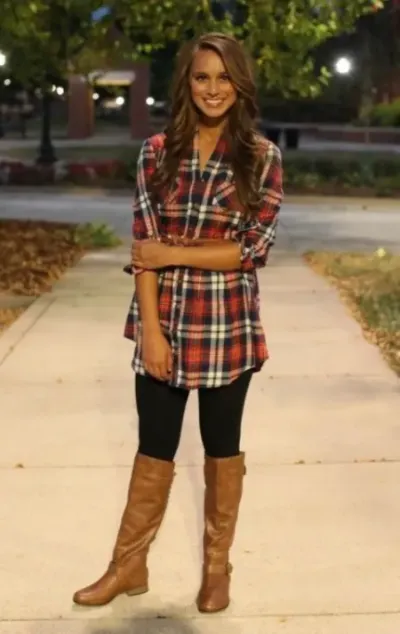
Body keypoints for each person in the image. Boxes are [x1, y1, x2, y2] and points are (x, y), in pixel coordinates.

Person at [73, 31, 283, 613]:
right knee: (154, 449)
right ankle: (128, 563)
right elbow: (144, 248)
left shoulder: (263, 158)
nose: (212, 89)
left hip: (228, 328)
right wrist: (152, 330)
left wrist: (172, 252)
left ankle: (218, 570)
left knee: (222, 449)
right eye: (201, 77)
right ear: (186, 84)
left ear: (239, 85)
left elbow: (250, 251)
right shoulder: (156, 153)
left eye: (223, 78)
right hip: (165, 322)